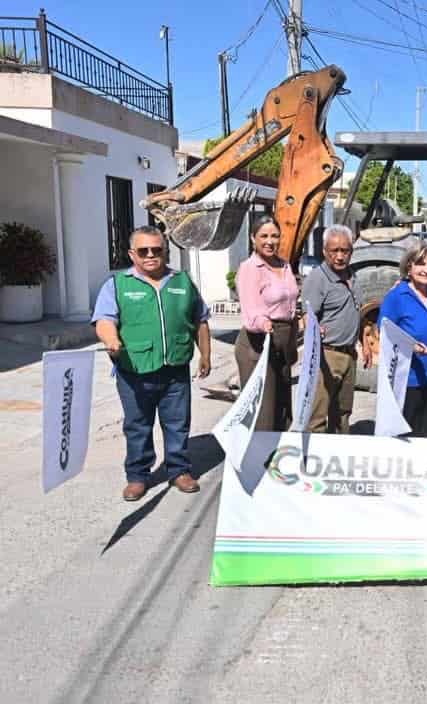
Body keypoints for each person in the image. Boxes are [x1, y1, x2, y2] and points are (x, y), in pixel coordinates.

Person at [92, 226, 211, 502]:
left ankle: (179, 470)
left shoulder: (183, 282)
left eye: (156, 250)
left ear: (165, 251)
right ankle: (138, 476)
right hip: (134, 371)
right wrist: (111, 339)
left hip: (175, 369)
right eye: (143, 251)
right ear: (132, 254)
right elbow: (104, 319)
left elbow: (200, 320)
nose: (150, 255)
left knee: (178, 423)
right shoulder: (117, 285)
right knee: (137, 426)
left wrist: (205, 355)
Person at [378, 244, 427, 436]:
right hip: (408, 379)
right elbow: (385, 332)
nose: (426, 270)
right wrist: (411, 346)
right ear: (409, 266)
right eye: (421, 264)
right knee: (407, 433)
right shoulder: (397, 296)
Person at [234, 215, 299, 431]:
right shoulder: (250, 268)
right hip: (258, 343)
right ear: (253, 238)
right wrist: (264, 323)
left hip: (283, 342)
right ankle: (258, 453)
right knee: (263, 414)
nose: (270, 241)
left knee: (282, 410)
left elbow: (290, 303)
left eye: (274, 236)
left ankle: (277, 452)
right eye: (264, 236)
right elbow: (251, 311)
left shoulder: (284, 265)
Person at [304, 225, 363, 434]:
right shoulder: (317, 278)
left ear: (351, 252)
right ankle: (313, 454)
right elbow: (307, 316)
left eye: (344, 251)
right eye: (334, 251)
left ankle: (339, 450)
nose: (339, 256)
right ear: (324, 251)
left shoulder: (352, 276)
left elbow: (357, 311)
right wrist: (313, 328)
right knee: (317, 417)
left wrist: (365, 341)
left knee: (343, 413)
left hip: (349, 354)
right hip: (326, 355)